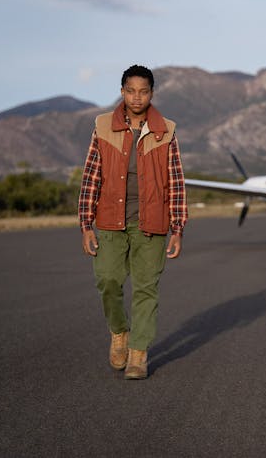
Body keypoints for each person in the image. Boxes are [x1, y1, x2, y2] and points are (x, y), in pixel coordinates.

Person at [79, 64, 188, 380]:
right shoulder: (102, 126)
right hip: (110, 222)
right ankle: (119, 332)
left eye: (143, 91)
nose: (136, 97)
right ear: (122, 91)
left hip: (151, 224)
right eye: (130, 90)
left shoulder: (166, 129)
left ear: (151, 93)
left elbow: (176, 180)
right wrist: (86, 224)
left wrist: (177, 228)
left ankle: (138, 354)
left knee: (146, 289)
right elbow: (91, 175)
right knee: (108, 281)